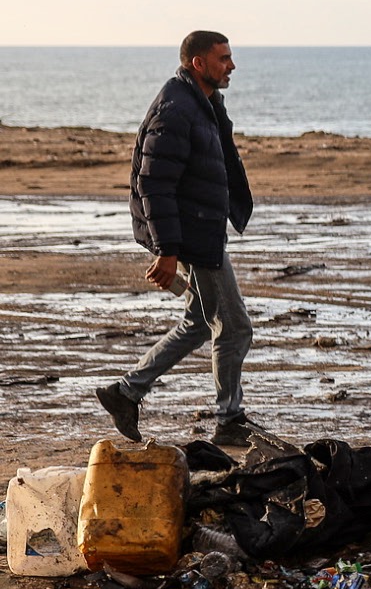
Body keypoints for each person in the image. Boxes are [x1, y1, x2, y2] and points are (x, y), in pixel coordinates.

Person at [95, 30, 270, 448]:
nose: (231, 65)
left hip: (201, 228)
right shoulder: (176, 109)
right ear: (198, 63)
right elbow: (153, 183)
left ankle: (126, 392)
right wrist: (168, 250)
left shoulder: (203, 104)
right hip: (192, 236)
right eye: (223, 58)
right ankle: (230, 419)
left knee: (197, 323)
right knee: (234, 327)